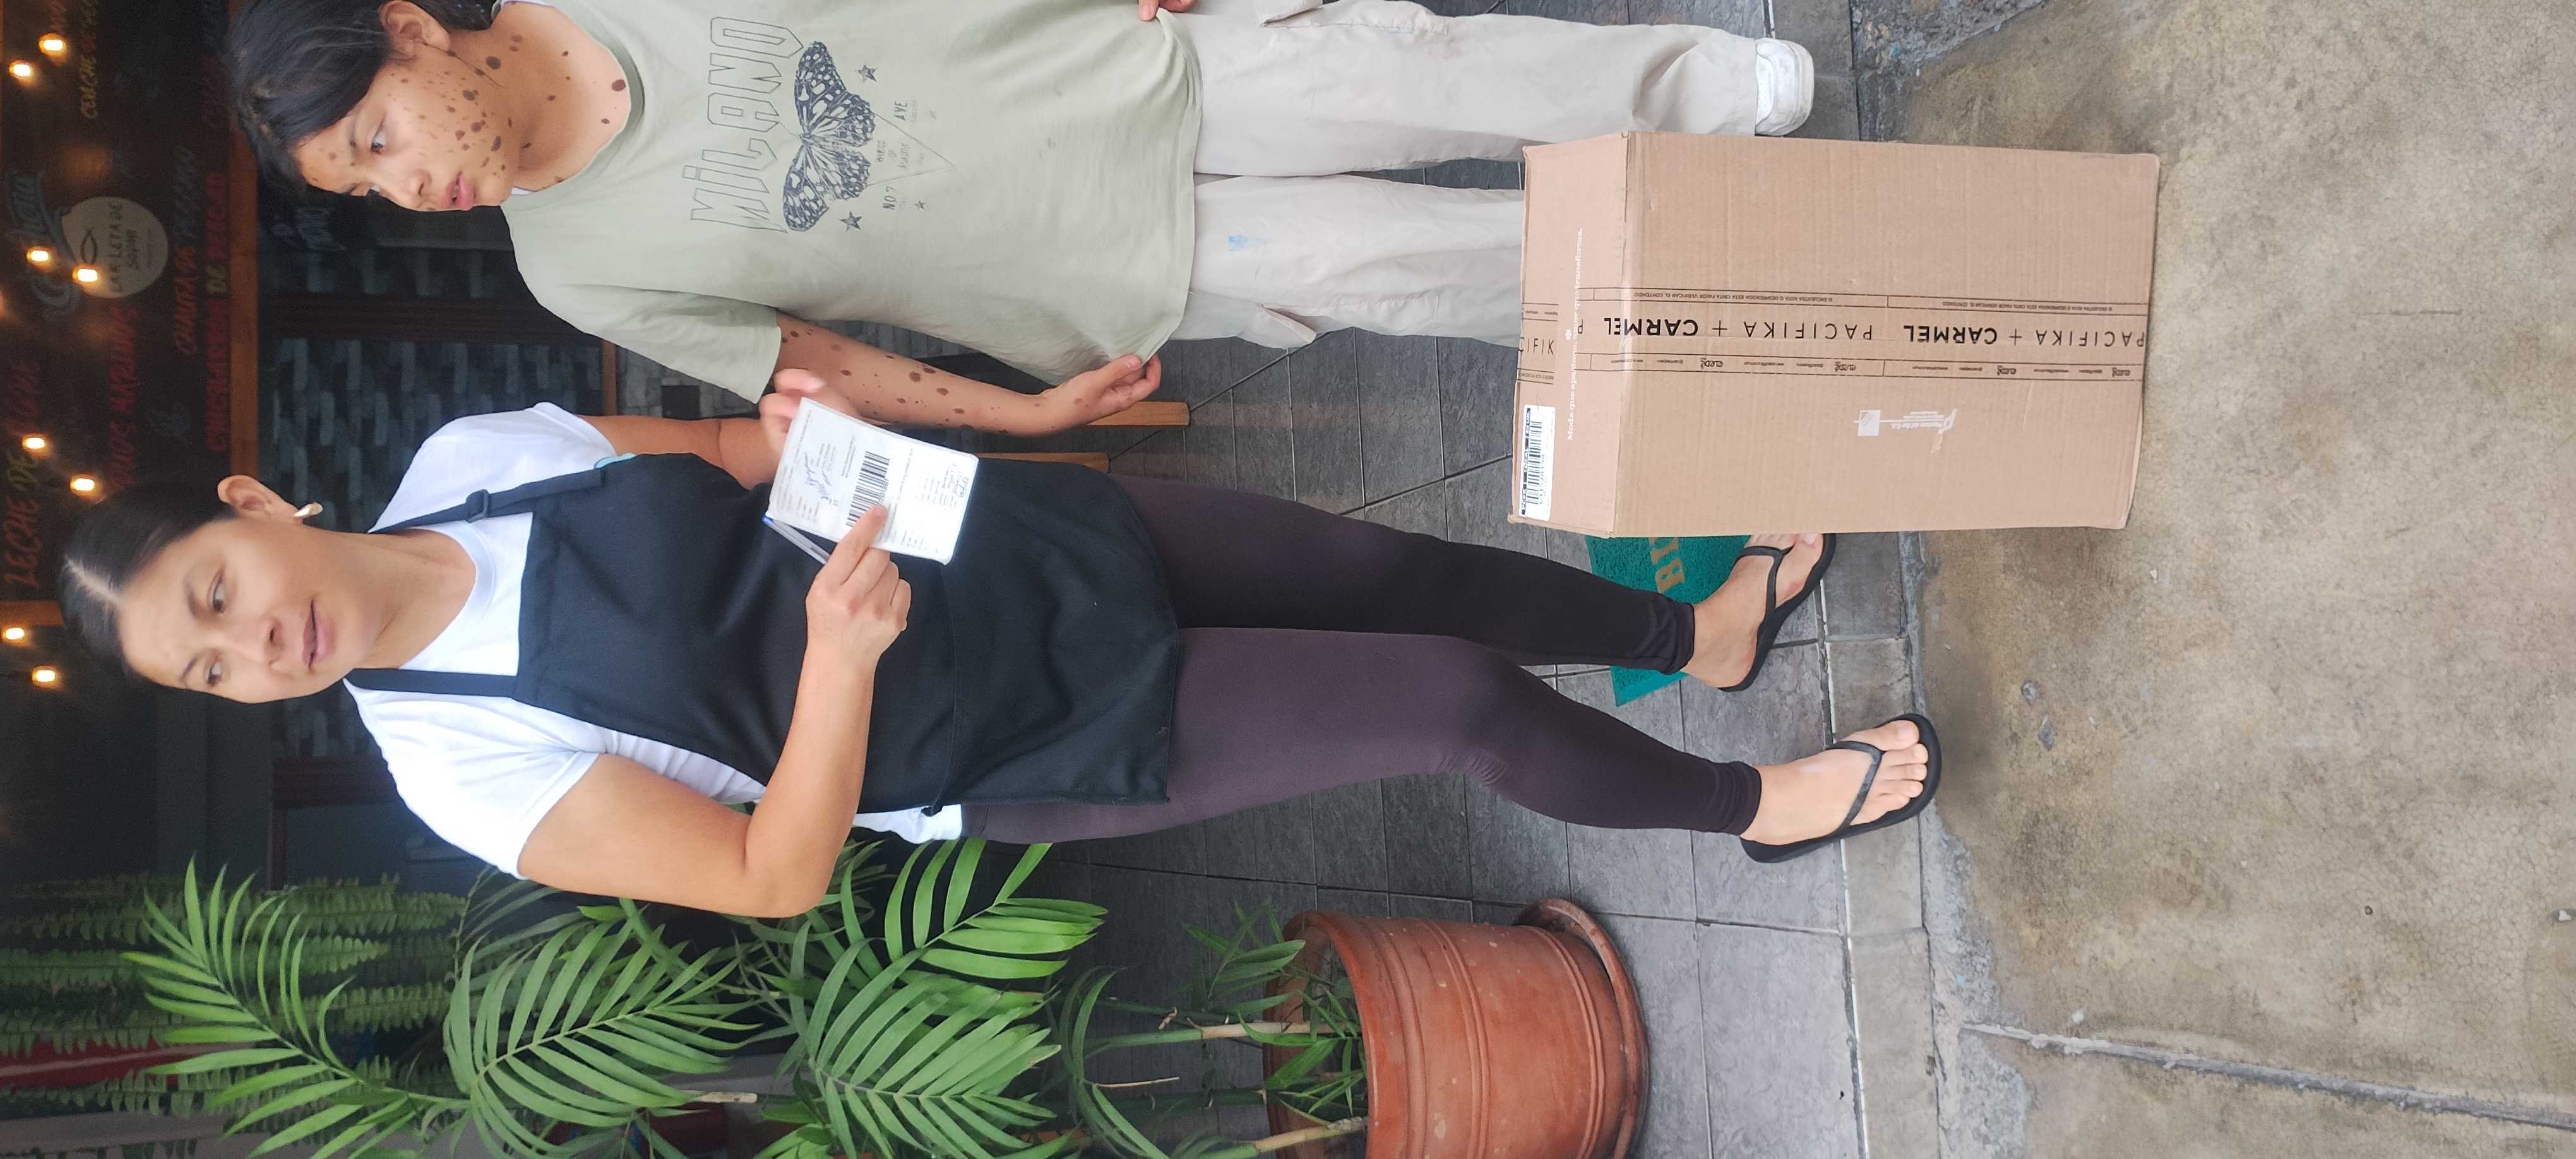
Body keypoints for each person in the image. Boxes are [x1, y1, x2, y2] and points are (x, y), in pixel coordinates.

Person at [59, 383, 1933, 917]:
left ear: (254, 502)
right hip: (987, 726)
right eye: (210, 673)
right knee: (1447, 705)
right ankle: (1749, 809)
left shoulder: (475, 455)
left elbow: (731, 458)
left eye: (215, 594)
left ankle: (1695, 628)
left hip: (989, 544)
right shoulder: (455, 767)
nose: (256, 645)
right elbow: (771, 875)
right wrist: (838, 666)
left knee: (1397, 573)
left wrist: (863, 439)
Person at [224, 0, 1820, 434]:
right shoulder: (572, 267)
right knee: (1426, 270)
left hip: (1124, 64)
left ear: (408, 30)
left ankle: (1716, 91)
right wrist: (1022, 412)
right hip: (1111, 265)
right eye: (368, 188)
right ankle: (1744, 277)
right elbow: (807, 362)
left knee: (1431, 74)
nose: (408, 187)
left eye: (377, 136)